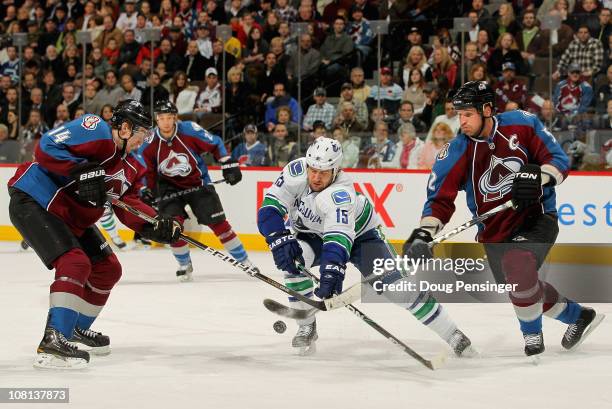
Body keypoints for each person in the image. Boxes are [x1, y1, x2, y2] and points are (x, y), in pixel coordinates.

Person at [403, 81, 604, 358]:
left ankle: (532, 340)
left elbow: (558, 159)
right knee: (523, 285)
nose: (462, 121)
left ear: (487, 109)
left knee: (517, 266)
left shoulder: (522, 124)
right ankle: (579, 316)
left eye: (468, 114)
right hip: (495, 232)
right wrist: (425, 233)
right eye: (459, 114)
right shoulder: (456, 152)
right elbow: (439, 201)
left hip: (536, 216)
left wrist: (539, 178)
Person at [257, 137, 474, 356]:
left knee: (399, 290)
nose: (316, 177)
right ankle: (307, 325)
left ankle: (452, 333)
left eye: (323, 172)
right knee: (293, 263)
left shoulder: (340, 194)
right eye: (313, 170)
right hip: (313, 235)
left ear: (336, 169)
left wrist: (332, 270)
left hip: (363, 238)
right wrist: (278, 237)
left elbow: (338, 237)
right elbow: (270, 207)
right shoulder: (296, 171)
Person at [7, 100, 182, 369]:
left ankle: (73, 327)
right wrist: (82, 169)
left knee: (108, 269)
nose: (144, 141)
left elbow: (128, 205)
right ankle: (54, 341)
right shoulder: (96, 128)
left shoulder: (132, 166)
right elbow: (46, 147)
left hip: (70, 215)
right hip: (36, 199)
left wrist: (157, 224)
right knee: (75, 262)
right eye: (141, 134)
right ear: (125, 128)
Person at [139, 100, 258, 281]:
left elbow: (215, 143)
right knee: (172, 227)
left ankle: (244, 261)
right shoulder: (149, 141)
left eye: (169, 118)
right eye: (162, 118)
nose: (166, 122)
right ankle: (184, 264)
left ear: (175, 118)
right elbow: (144, 168)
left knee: (220, 225)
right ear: (156, 120)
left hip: (198, 183)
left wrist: (227, 162)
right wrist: (146, 189)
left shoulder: (189, 130)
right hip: (168, 188)